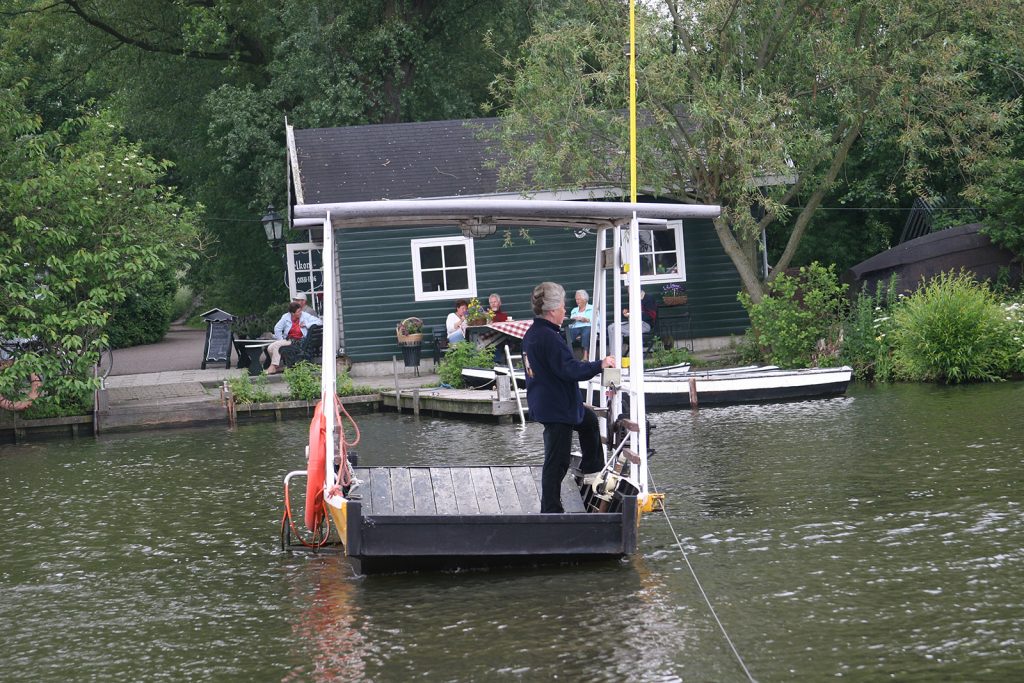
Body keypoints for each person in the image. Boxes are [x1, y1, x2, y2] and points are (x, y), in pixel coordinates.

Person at [522, 282, 616, 513]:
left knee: (589, 421)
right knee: (557, 461)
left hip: (550, 401)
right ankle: (550, 510)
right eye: (564, 306)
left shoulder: (533, 333)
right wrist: (600, 364)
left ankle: (592, 470)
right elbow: (570, 370)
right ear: (553, 310)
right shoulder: (549, 338)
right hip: (556, 408)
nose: (566, 310)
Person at [266, 301, 323, 374]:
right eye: (298, 311)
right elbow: (277, 328)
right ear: (292, 313)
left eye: (300, 310)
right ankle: (278, 366)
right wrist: (281, 340)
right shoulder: (286, 317)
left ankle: (273, 366)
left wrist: (306, 324)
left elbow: (319, 321)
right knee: (270, 347)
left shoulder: (305, 315)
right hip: (288, 340)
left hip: (298, 341)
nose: (300, 312)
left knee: (276, 345)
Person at [607, 289, 656, 357]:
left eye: (630, 290)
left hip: (645, 324)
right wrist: (626, 311)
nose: (629, 293)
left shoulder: (648, 298)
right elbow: (631, 312)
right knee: (610, 327)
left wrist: (634, 314)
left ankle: (615, 357)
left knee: (617, 329)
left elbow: (651, 315)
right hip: (633, 323)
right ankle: (612, 354)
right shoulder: (633, 299)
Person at [565, 289, 593, 361]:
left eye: (579, 299)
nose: (577, 301)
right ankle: (568, 356)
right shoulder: (574, 310)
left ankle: (585, 356)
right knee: (568, 333)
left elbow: (597, 321)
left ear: (585, 299)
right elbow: (570, 324)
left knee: (586, 331)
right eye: (576, 299)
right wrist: (573, 320)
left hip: (588, 327)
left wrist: (585, 319)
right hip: (575, 328)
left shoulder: (592, 308)